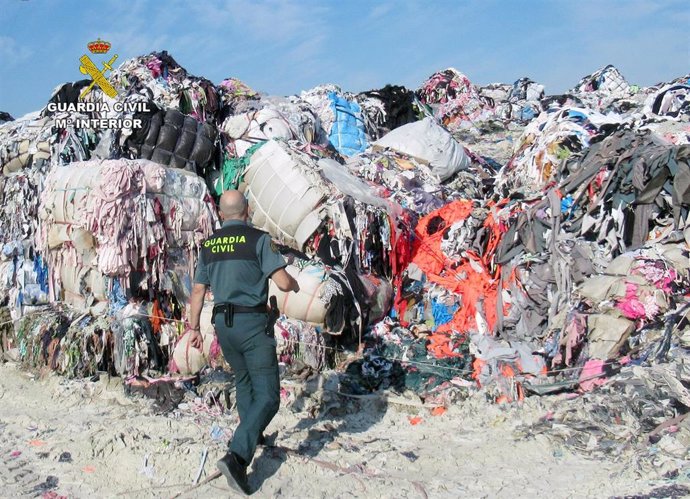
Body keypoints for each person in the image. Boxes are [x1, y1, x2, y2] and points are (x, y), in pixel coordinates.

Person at [187, 190, 299, 495]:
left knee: (245, 379)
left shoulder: (209, 245)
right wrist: (294, 283)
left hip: (223, 325)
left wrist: (194, 328)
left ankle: (254, 434)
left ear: (222, 215)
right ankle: (237, 457)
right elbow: (283, 281)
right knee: (269, 395)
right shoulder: (258, 239)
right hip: (252, 324)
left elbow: (197, 291)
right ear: (246, 211)